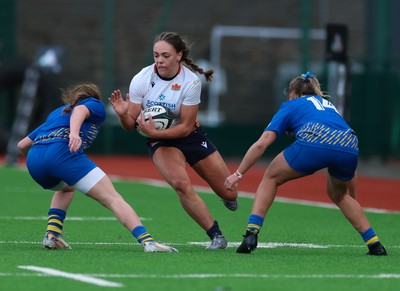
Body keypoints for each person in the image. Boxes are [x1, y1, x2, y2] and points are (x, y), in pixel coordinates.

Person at [224, 72, 387, 256]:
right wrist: (353, 199)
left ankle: (251, 234)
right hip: (350, 145)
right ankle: (374, 244)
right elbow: (345, 154)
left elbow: (263, 142)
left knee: (270, 177)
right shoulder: (329, 106)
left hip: (315, 143)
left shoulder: (291, 104)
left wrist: (237, 174)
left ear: (293, 93)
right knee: (340, 195)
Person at [109, 31, 238, 250]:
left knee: (230, 191)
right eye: (156, 55)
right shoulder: (141, 79)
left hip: (189, 136)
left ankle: (224, 195)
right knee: (180, 183)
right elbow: (130, 126)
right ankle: (216, 235)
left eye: (165, 55)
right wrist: (124, 115)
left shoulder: (190, 82)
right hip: (159, 141)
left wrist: (154, 132)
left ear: (179, 56)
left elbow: (186, 127)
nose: (159, 60)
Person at [17, 83, 178, 253]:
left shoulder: (58, 112)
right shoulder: (95, 104)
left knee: (67, 188)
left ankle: (52, 235)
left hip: (35, 163)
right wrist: (73, 133)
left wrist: (43, 159)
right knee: (113, 198)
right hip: (62, 154)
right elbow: (80, 111)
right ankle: (148, 242)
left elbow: (22, 145)